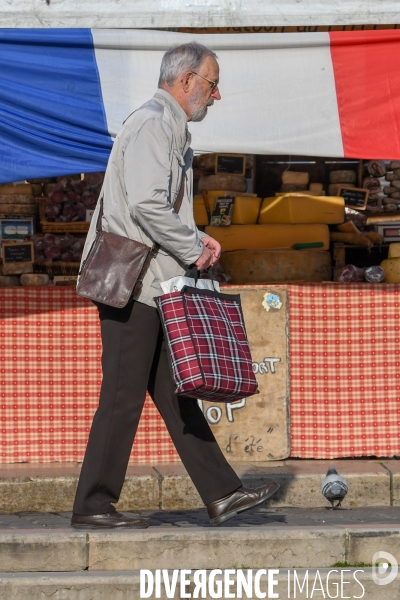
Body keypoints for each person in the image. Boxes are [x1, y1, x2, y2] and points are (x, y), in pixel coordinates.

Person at [71, 42, 280, 529]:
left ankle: (222, 493)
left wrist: (195, 238)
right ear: (186, 80)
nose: (216, 94)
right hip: (135, 286)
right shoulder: (154, 123)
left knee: (175, 392)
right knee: (122, 398)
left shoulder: (166, 126)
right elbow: (146, 204)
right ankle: (93, 505)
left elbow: (155, 206)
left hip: (150, 283)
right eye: (211, 83)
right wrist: (192, 248)